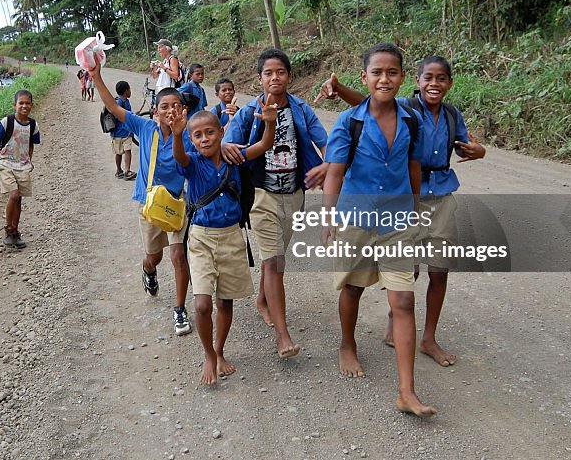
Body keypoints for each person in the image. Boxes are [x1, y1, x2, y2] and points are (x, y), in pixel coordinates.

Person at [317, 56, 486, 369]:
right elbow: (370, 102)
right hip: (397, 200)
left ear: (450, 83)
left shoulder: (450, 115)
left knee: (436, 269)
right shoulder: (406, 109)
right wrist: (340, 90)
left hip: (433, 197)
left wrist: (480, 151)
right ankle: (379, 329)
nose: (434, 84)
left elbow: (464, 146)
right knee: (384, 276)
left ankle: (426, 338)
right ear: (417, 81)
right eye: (428, 78)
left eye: (441, 79)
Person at [321, 42, 435, 418]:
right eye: (377, 73)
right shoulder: (349, 122)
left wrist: (417, 215)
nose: (385, 79)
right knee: (352, 287)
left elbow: (414, 169)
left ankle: (407, 391)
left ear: (403, 77)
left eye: (392, 72)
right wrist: (328, 217)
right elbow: (334, 174)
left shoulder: (412, 120)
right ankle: (347, 343)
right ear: (365, 78)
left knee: (403, 300)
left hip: (397, 221)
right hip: (355, 218)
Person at [221, 48, 328, 358]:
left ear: (289, 77)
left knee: (277, 257)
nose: (275, 77)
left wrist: (330, 165)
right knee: (274, 263)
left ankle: (262, 301)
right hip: (261, 197)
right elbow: (227, 140)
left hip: (295, 195)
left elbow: (324, 142)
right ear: (259, 79)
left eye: (280, 72)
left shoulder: (302, 110)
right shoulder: (249, 112)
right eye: (268, 73)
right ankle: (283, 336)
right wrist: (227, 145)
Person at [171, 103, 277, 384]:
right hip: (201, 239)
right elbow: (179, 157)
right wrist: (176, 134)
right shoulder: (193, 163)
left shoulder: (235, 156)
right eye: (198, 135)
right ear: (192, 139)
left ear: (221, 132)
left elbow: (265, 145)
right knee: (203, 305)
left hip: (232, 236)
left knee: (225, 302)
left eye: (210, 132)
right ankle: (208, 354)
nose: (204, 139)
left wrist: (269, 122)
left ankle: (219, 350)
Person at [88, 62, 193, 336]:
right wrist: (96, 76)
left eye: (176, 106)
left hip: (177, 204)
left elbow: (197, 157)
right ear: (156, 111)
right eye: (165, 106)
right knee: (154, 256)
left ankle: (180, 309)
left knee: (179, 255)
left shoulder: (190, 135)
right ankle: (148, 270)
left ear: (183, 110)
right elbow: (113, 107)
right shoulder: (146, 128)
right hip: (149, 204)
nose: (171, 111)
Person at [0, 89, 41, 250]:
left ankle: (15, 232)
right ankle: (8, 229)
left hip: (22, 166)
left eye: (27, 103)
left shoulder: (33, 125)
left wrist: (29, 160)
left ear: (32, 105)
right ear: (14, 105)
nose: (24, 106)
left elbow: (30, 143)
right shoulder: (7, 122)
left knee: (19, 199)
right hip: (6, 164)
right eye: (21, 103)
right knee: (14, 195)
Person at [111, 80, 137, 181]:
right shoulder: (120, 102)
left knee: (124, 151)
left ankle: (124, 171)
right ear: (126, 91)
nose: (130, 91)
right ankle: (121, 170)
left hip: (121, 133)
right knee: (123, 152)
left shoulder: (124, 101)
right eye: (129, 89)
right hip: (123, 131)